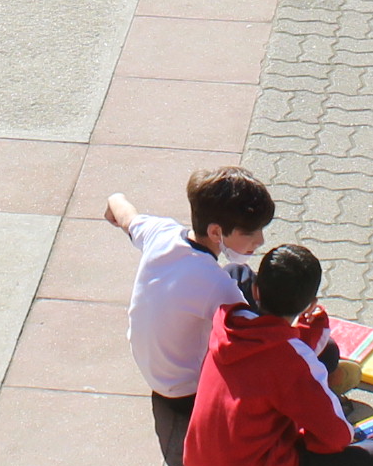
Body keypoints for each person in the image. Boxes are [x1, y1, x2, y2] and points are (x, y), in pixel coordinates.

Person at [183, 242, 373, 466]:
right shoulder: (292, 361)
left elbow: (272, 342)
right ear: (310, 304)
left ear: (256, 290)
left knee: (326, 354)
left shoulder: (226, 320)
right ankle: (327, 401)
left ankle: (324, 392)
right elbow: (335, 438)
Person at [114, 168, 271, 401]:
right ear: (216, 232)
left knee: (238, 272)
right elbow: (263, 339)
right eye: (250, 232)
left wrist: (114, 200)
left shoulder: (161, 232)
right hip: (188, 393)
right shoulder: (217, 286)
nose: (260, 241)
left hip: (154, 373)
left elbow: (125, 215)